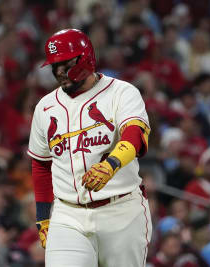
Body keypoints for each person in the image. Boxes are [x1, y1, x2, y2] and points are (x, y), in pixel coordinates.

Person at [28, 29, 152, 267]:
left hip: (121, 210)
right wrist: (43, 217)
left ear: (85, 59)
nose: (59, 73)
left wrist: (111, 164)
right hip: (68, 215)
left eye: (65, 64)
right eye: (55, 66)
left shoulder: (122, 92)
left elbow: (135, 134)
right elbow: (41, 164)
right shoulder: (45, 107)